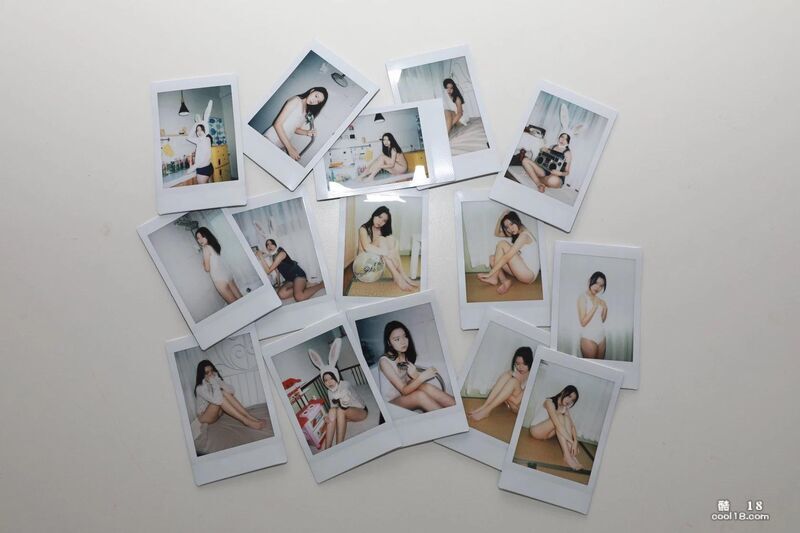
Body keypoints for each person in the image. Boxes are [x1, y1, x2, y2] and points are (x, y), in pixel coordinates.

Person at [378, 321, 455, 412]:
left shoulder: (403, 355)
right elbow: (404, 390)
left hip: (404, 394)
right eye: (397, 339)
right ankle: (448, 417)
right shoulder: (384, 361)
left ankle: (456, 407)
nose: (403, 342)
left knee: (426, 387)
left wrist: (415, 375)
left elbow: (407, 381)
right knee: (419, 396)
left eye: (405, 336)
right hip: (391, 403)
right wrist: (422, 377)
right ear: (389, 343)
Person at [307, 338, 368, 451]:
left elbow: (344, 400)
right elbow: (333, 407)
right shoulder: (329, 391)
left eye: (331, 378)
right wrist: (328, 416)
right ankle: (328, 448)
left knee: (340, 410)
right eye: (325, 380)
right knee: (332, 411)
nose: (329, 382)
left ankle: (339, 447)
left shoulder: (345, 385)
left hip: (361, 411)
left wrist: (339, 401)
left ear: (336, 376)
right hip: (348, 416)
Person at [357, 206, 419, 292]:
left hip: (376, 262)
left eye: (384, 221)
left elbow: (395, 242)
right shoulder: (363, 228)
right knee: (382, 240)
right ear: (374, 215)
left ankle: (403, 275)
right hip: (364, 265)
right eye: (379, 217)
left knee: (390, 239)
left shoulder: (381, 230)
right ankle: (397, 276)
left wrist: (393, 251)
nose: (380, 222)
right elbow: (366, 247)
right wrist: (389, 254)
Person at [477, 210, 540, 295]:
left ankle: (494, 277)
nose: (510, 229)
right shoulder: (517, 232)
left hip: (529, 275)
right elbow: (497, 233)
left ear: (516, 221)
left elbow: (507, 257)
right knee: (492, 258)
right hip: (522, 269)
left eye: (511, 224)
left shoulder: (524, 235)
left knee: (502, 244)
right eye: (507, 227)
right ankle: (505, 281)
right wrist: (500, 218)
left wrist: (490, 273)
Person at [194, 360, 267, 429]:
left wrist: (218, 380)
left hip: (217, 414)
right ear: (202, 375)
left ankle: (249, 416)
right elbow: (218, 401)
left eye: (211, 371)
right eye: (207, 372)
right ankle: (245, 421)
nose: (210, 374)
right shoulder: (200, 388)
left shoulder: (214, 381)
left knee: (224, 392)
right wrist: (214, 382)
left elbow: (231, 391)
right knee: (221, 396)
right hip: (206, 417)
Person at [467, 347, 533, 421]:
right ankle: (484, 407)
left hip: (518, 408)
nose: (520, 367)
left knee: (513, 381)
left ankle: (487, 410)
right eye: (517, 364)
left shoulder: (531, 378)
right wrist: (508, 383)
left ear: (529, 363)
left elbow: (516, 401)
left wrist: (505, 391)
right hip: (511, 405)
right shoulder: (517, 373)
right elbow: (503, 386)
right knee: (507, 375)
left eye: (524, 364)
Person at [264, 87, 329, 161]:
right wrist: (290, 148)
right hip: (271, 139)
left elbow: (294, 129)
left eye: (318, 102)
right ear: (312, 91)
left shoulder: (305, 111)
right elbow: (277, 124)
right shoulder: (296, 100)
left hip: (282, 145)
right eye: (316, 96)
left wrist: (307, 132)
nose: (314, 101)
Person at [529, 385, 583, 471]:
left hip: (547, 435)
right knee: (560, 418)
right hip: (536, 430)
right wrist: (572, 442)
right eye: (569, 396)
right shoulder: (549, 402)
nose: (570, 401)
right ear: (563, 392)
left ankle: (570, 454)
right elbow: (558, 425)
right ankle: (567, 456)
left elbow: (572, 426)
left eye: (572, 400)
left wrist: (576, 441)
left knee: (566, 419)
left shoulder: (564, 408)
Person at [259, 238, 325, 302]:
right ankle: (304, 286)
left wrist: (260, 256)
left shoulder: (281, 253)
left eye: (271, 244)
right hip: (289, 279)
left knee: (299, 297)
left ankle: (321, 285)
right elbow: (277, 272)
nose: (269, 246)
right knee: (281, 295)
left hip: (297, 275)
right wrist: (278, 285)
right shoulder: (273, 257)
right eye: (267, 245)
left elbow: (268, 271)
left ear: (275, 245)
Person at [195, 227, 242, 304]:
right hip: (227, 274)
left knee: (235, 304)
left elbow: (207, 269)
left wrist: (203, 262)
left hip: (219, 279)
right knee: (241, 299)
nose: (200, 240)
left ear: (207, 235)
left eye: (202, 237)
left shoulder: (205, 248)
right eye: (198, 238)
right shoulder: (215, 245)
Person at [578, 271, 607, 359]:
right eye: (596, 283)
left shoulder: (599, 300)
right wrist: (595, 306)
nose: (598, 287)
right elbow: (583, 322)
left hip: (602, 337)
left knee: (601, 366)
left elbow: (602, 320)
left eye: (601, 286)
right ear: (590, 281)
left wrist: (605, 308)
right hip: (588, 337)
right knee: (590, 366)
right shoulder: (583, 298)